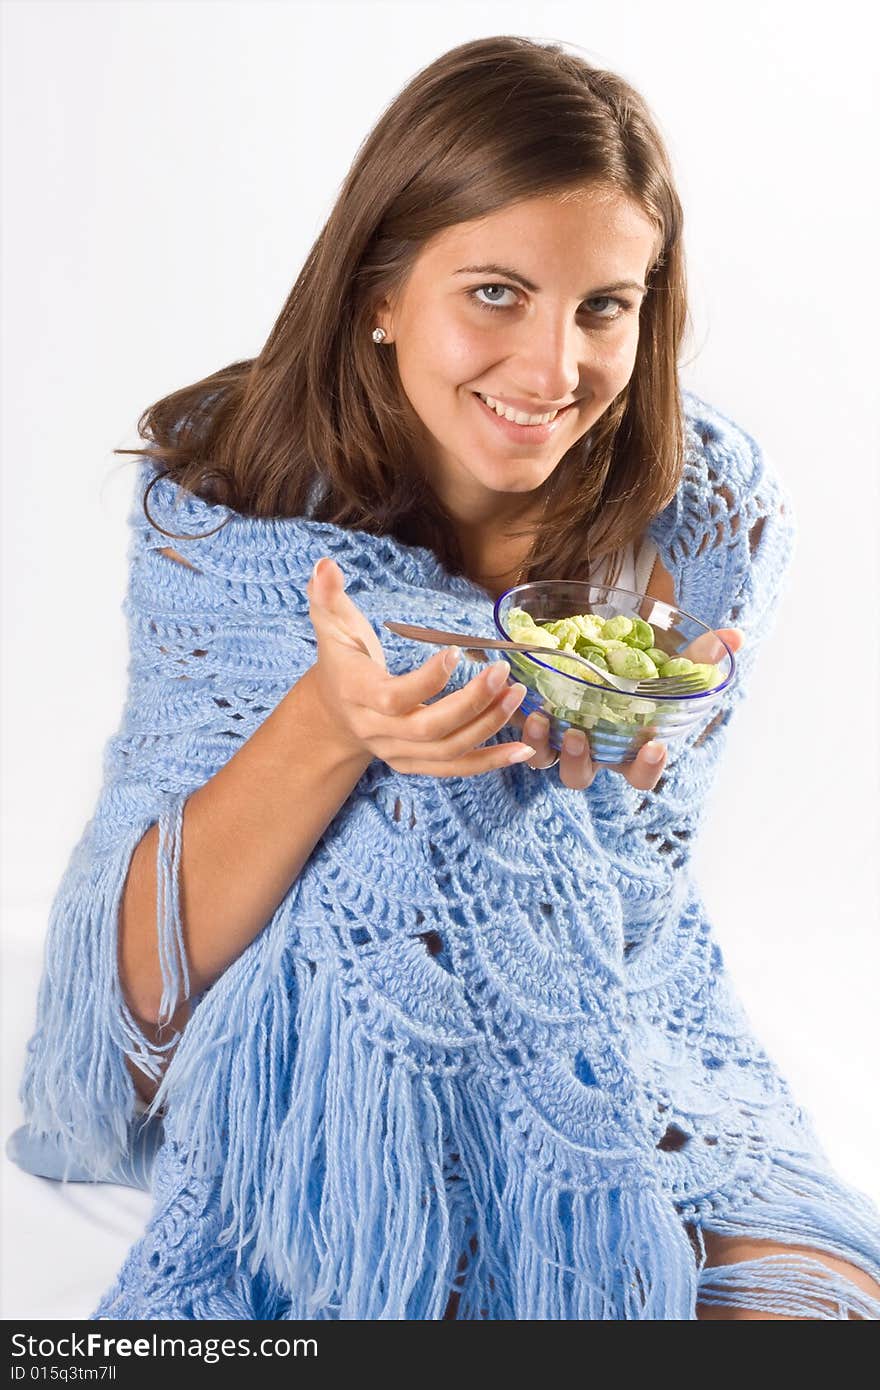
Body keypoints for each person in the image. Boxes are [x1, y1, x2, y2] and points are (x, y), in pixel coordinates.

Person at [9, 35, 880, 1320]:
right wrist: (332, 722)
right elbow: (132, 1011)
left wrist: (623, 783)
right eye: (493, 293)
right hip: (321, 1078)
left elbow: (631, 923)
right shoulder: (228, 518)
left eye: (604, 306)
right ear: (380, 290)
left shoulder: (702, 519)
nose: (551, 371)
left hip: (609, 1053)